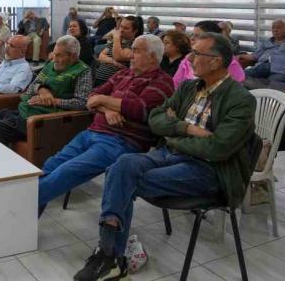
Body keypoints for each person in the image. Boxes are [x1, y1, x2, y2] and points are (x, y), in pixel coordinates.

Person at [74, 33, 258, 281]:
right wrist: (185, 129)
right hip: (170, 153)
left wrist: (173, 132)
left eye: (197, 54)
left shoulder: (241, 99)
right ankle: (111, 256)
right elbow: (156, 119)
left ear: (215, 61)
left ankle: (108, 255)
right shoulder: (188, 87)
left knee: (121, 179)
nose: (190, 58)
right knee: (122, 165)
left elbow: (218, 148)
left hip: (209, 171)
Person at [38, 35, 173, 215]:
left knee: (64, 173)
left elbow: (140, 109)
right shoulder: (123, 73)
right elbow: (90, 97)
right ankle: (24, 226)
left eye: (136, 51)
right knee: (50, 165)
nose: (130, 56)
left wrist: (102, 99)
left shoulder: (162, 82)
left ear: (153, 57)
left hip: (122, 142)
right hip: (92, 133)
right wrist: (107, 110)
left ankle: (15, 206)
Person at [0, 35, 93, 146]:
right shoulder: (51, 65)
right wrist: (42, 89)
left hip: (45, 119)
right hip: (25, 110)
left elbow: (82, 103)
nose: (54, 59)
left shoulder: (83, 72)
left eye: (59, 55)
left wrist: (53, 101)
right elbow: (30, 89)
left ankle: (2, 167)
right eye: (54, 54)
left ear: (73, 56)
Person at [239, 18, 285, 90]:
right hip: (261, 68)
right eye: (273, 28)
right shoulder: (266, 42)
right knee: (238, 76)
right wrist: (239, 56)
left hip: (282, 72)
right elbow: (254, 56)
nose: (275, 30)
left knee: (270, 90)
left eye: (278, 27)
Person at [172, 20, 245, 89]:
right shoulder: (188, 59)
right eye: (192, 35)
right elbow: (175, 84)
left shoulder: (229, 63)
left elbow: (233, 91)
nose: (192, 39)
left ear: (212, 38)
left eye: (198, 36)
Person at [94, 15, 142, 86]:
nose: (121, 30)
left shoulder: (135, 45)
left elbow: (117, 56)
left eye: (126, 28)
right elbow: (101, 56)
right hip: (98, 78)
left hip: (115, 83)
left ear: (135, 31)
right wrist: (114, 62)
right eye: (121, 26)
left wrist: (116, 37)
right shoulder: (117, 41)